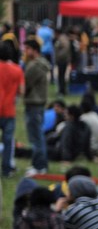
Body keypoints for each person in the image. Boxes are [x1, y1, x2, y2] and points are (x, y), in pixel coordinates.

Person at [23, 39, 51, 176]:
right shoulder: (41, 64)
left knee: (36, 137)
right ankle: (40, 164)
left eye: (27, 48)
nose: (25, 52)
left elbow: (25, 82)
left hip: (34, 103)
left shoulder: (35, 66)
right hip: (38, 103)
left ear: (34, 50)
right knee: (38, 135)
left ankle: (39, 166)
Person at [0, 43, 24, 177]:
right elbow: (21, 91)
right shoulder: (17, 70)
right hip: (9, 111)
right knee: (8, 142)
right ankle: (6, 169)